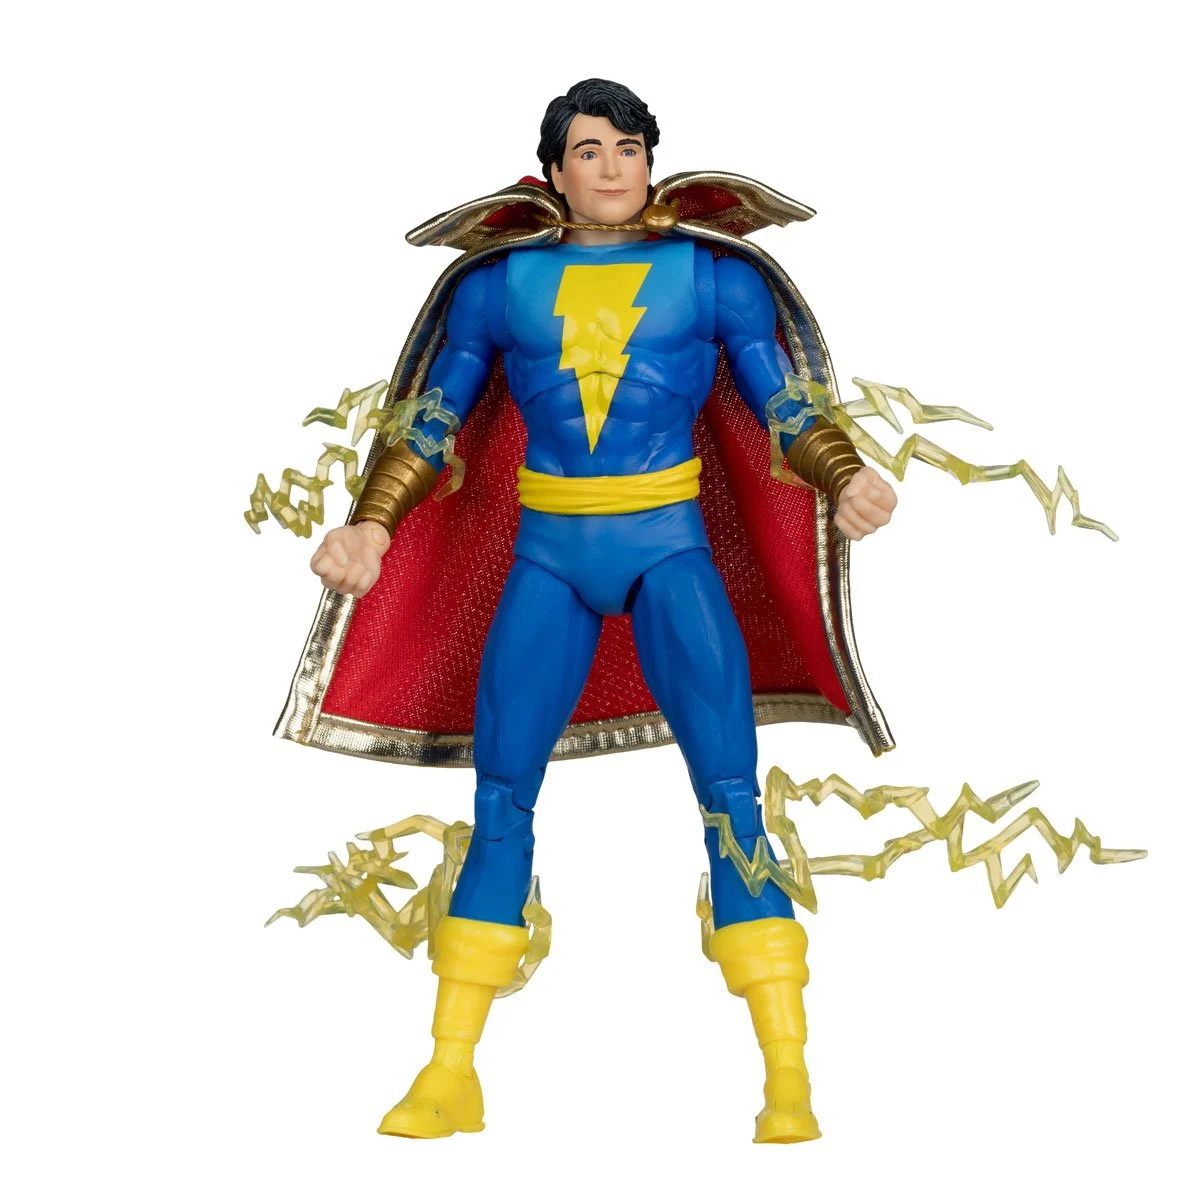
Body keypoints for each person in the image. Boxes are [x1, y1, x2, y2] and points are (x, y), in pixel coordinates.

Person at [307, 79, 897, 1143]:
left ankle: (788, 1074)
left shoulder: (712, 277)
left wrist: (841, 471)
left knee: (732, 800)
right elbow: (435, 417)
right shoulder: (500, 285)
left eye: (629, 147)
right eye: (590, 150)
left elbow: (781, 399)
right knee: (501, 797)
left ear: (653, 161)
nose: (613, 167)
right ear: (553, 170)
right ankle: (448, 1069)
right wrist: (372, 526)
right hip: (548, 557)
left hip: (672, 552)